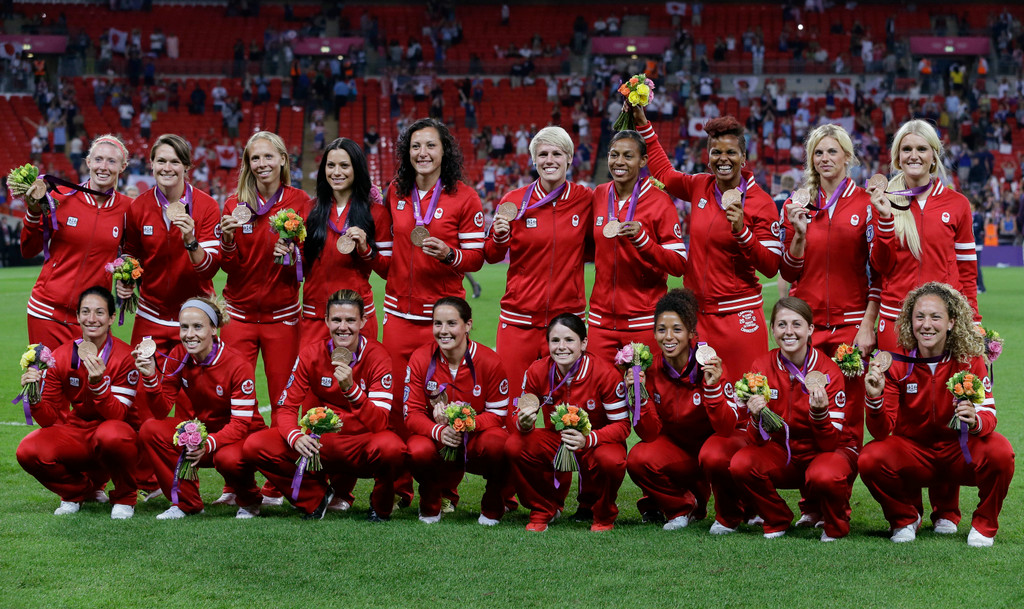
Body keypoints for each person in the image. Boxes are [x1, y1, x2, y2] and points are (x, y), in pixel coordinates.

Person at [380, 118, 486, 505]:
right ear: (407, 154)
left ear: (445, 152)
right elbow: (388, 253)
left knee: (443, 406)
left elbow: (477, 257)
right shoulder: (396, 192)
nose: (422, 154)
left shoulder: (465, 197)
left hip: (440, 323)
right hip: (398, 317)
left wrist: (451, 254)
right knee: (395, 405)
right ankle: (399, 485)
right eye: (415, 147)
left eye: (430, 146)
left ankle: (444, 485)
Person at [860, 282, 1014, 547]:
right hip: (916, 455)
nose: (927, 325)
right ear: (910, 321)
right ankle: (905, 518)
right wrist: (874, 398)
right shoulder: (897, 363)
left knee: (1001, 451)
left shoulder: (969, 360)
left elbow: (989, 414)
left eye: (935, 317)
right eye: (919, 317)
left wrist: (975, 419)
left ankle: (984, 526)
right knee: (870, 458)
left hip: (958, 453)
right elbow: (881, 430)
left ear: (951, 322)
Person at [631, 105, 781, 374]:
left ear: (744, 157)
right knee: (701, 403)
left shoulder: (761, 203)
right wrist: (644, 124)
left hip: (739, 318)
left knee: (745, 399)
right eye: (716, 152)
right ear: (708, 157)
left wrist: (742, 232)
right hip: (697, 317)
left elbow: (771, 266)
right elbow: (664, 173)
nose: (724, 158)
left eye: (731, 152)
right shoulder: (700, 185)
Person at [243, 290, 406, 521]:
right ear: (326, 320)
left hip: (361, 444)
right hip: (321, 444)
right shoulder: (311, 354)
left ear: (362, 321)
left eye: (350, 320)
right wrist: (295, 437)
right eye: (337, 320)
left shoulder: (377, 356)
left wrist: (351, 389)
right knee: (255, 444)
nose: (343, 327)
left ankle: (380, 505)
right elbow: (287, 407)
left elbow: (380, 422)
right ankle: (315, 497)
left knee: (392, 448)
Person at [779, 123, 876, 478]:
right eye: (818, 152)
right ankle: (811, 504)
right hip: (807, 327)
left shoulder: (867, 203)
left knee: (849, 417)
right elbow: (789, 273)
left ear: (847, 157)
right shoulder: (795, 203)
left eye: (832, 151)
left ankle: (836, 491)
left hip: (851, 326)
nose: (825, 158)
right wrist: (799, 236)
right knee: (806, 412)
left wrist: (868, 325)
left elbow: (878, 273)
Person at [728, 297, 858, 541]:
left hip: (825, 453)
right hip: (784, 452)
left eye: (797, 324)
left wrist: (819, 414)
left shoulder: (829, 371)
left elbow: (830, 444)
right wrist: (756, 416)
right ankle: (777, 518)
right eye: (782, 325)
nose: (789, 332)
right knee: (741, 463)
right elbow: (754, 440)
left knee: (824, 474)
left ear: (810, 329)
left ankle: (835, 524)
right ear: (773, 329)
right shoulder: (762, 366)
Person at [626, 288, 749, 532]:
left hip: (717, 447)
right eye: (661, 330)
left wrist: (713, 389)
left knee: (714, 453)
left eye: (677, 329)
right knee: (639, 458)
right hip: (681, 453)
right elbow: (649, 434)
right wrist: (638, 395)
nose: (668, 337)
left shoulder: (710, 364)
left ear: (692, 333)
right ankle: (682, 507)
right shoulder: (648, 370)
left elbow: (726, 428)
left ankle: (729, 516)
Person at [135, 296, 265, 519]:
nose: (189, 334)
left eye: (197, 327)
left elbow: (241, 424)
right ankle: (186, 503)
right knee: (151, 429)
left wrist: (208, 444)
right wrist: (149, 378)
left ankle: (250, 499)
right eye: (184, 327)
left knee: (227, 458)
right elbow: (161, 411)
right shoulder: (178, 355)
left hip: (241, 437)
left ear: (214, 329)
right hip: (206, 432)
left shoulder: (237, 364)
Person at [16, 287, 141, 519]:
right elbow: (49, 419)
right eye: (85, 312)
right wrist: (33, 397)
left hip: (118, 438)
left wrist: (98, 385)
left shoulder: (125, 356)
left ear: (112, 317)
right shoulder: (62, 355)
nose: (92, 319)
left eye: (99, 312)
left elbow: (119, 415)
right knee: (27, 450)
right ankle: (77, 492)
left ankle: (124, 497)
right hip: (80, 434)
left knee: (112, 434)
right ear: (77, 316)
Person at [484, 126, 593, 388]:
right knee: (511, 405)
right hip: (519, 320)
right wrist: (499, 237)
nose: (549, 160)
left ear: (569, 158)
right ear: (534, 160)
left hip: (566, 323)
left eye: (557, 153)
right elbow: (490, 254)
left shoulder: (586, 199)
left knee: (567, 410)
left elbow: (596, 246)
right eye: (542, 154)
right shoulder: (514, 200)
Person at [507, 313, 630, 532]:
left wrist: (589, 439)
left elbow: (622, 426)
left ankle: (602, 513)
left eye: (569, 340)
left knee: (612, 459)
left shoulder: (605, 373)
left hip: (595, 443)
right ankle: (543, 508)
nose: (561, 347)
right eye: (555, 340)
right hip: (557, 441)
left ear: (584, 343)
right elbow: (521, 410)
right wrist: (523, 422)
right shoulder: (537, 371)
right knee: (515, 444)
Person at [219, 131, 309, 426]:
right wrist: (228, 241)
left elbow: (310, 263)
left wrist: (295, 256)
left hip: (282, 319)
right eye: (255, 158)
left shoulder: (300, 201)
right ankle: (246, 461)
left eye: (268, 156)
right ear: (248, 163)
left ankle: (278, 470)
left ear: (282, 160)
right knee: (239, 402)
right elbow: (229, 267)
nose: (262, 163)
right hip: (238, 318)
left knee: (284, 403)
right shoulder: (235, 204)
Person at [868, 119, 980, 352]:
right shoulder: (881, 201)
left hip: (942, 321)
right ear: (897, 157)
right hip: (895, 318)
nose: (914, 155)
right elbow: (880, 266)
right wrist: (886, 219)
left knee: (942, 388)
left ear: (934, 155)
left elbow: (967, 271)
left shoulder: (958, 204)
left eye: (921, 149)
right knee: (891, 389)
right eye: (906, 149)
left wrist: (974, 320)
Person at [17, 134, 133, 351]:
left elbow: (132, 255)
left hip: (91, 319)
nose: (103, 167)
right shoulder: (60, 197)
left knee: (86, 383)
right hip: (46, 311)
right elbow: (28, 250)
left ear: (123, 166)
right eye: (98, 159)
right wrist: (33, 213)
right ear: (88, 162)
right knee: (44, 382)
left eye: (111, 161)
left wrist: (128, 279)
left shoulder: (129, 209)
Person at [404, 297, 511, 525]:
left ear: (468, 325)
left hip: (475, 439)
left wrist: (467, 425)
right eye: (437, 324)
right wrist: (438, 431)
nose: (443, 331)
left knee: (500, 443)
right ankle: (431, 500)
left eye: (451, 323)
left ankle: (493, 504)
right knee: (416, 449)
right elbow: (411, 414)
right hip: (438, 439)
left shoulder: (490, 361)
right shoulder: (420, 358)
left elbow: (499, 414)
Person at [587, 130, 687, 361]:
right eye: (614, 155)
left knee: (644, 395)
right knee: (599, 394)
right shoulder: (599, 195)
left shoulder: (660, 201)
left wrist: (643, 240)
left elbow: (679, 264)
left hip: (643, 321)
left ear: (643, 161)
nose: (619, 162)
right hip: (600, 323)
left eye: (628, 156)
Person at [121, 134, 221, 355]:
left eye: (175, 162)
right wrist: (126, 278)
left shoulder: (207, 206)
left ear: (186, 166)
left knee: (197, 389)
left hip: (195, 317)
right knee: (140, 386)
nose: (167, 168)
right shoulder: (138, 207)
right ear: (152, 164)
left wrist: (191, 241)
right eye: (161, 161)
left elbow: (210, 269)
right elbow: (130, 254)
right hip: (150, 315)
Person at [301, 138, 390, 345]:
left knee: (357, 378)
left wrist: (366, 250)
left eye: (344, 166)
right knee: (313, 378)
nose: (336, 172)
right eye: (331, 165)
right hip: (315, 316)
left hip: (356, 318)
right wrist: (289, 255)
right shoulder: (308, 210)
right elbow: (303, 268)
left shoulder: (376, 213)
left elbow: (388, 271)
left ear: (356, 169)